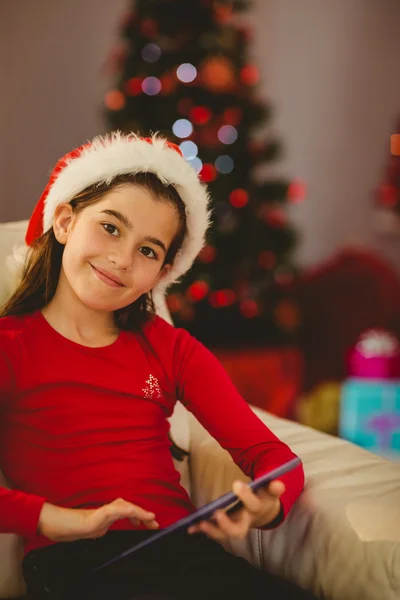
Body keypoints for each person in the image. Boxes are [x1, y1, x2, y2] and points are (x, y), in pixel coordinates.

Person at [0, 132, 317, 600]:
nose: (122, 259)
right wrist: (54, 518)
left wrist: (269, 503)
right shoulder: (12, 346)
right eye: (111, 227)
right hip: (77, 561)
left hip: (186, 554)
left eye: (148, 250)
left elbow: (274, 458)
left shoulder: (171, 349)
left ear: (162, 272)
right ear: (65, 221)